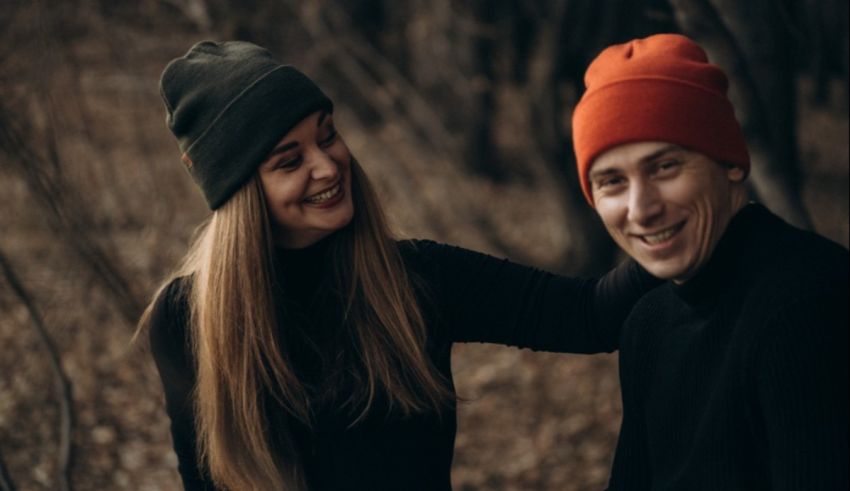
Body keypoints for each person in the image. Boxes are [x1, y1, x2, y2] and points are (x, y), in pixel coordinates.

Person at [140, 40, 658, 491]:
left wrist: (679, 225)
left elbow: (589, 314)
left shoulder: (414, 278)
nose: (327, 165)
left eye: (327, 135)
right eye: (289, 161)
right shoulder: (187, 319)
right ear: (240, 195)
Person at [571, 33, 849, 490]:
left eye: (664, 167)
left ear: (730, 163)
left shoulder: (807, 303)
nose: (640, 209)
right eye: (612, 182)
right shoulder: (648, 321)